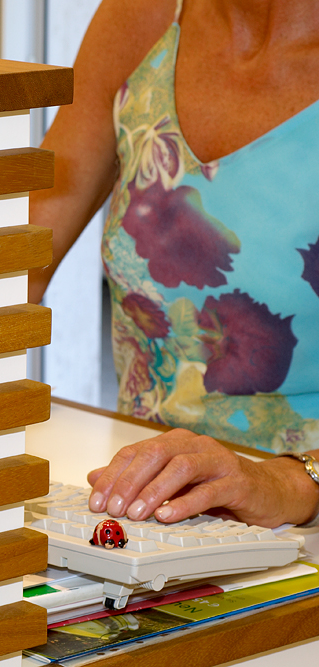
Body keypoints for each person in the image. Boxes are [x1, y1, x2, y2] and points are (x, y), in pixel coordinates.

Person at [28, 0, 319, 527]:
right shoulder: (144, 17)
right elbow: (10, 267)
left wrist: (289, 481)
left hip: (301, 524)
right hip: (144, 514)